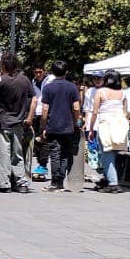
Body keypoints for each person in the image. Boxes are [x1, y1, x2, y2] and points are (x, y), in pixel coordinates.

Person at [0, 54, 34, 194]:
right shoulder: (25, 80)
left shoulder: (1, 80)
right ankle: (21, 182)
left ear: (3, 64)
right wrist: (29, 117)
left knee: (3, 154)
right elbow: (33, 99)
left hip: (2, 121)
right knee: (18, 153)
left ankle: (4, 183)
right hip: (19, 121)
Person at [40, 61, 82, 192]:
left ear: (52, 72)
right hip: (68, 126)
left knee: (54, 153)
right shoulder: (72, 87)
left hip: (53, 125)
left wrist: (43, 126)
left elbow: (45, 109)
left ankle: (54, 182)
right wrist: (75, 122)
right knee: (65, 154)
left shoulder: (48, 88)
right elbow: (76, 107)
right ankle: (60, 182)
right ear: (66, 72)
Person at [85, 69, 130, 192]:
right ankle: (107, 178)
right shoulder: (123, 93)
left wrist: (90, 129)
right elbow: (125, 112)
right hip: (120, 124)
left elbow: (94, 113)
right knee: (114, 153)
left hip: (106, 124)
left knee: (106, 153)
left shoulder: (100, 92)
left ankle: (113, 183)